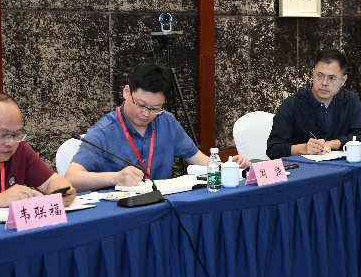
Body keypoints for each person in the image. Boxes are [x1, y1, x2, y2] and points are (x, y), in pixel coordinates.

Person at [66, 61, 247, 191]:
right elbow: (71, 178)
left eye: (155, 108)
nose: (146, 113)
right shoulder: (104, 131)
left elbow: (199, 159)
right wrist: (116, 178)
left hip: (161, 206)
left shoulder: (167, 121)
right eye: (141, 105)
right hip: (121, 212)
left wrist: (229, 167)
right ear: (127, 92)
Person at [267, 49, 361, 158]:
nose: (324, 83)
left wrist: (331, 144)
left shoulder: (350, 101)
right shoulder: (292, 105)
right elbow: (273, 149)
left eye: (332, 78)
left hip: (341, 166)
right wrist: (303, 149)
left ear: (343, 80)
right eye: (320, 75)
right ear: (313, 73)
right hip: (304, 167)